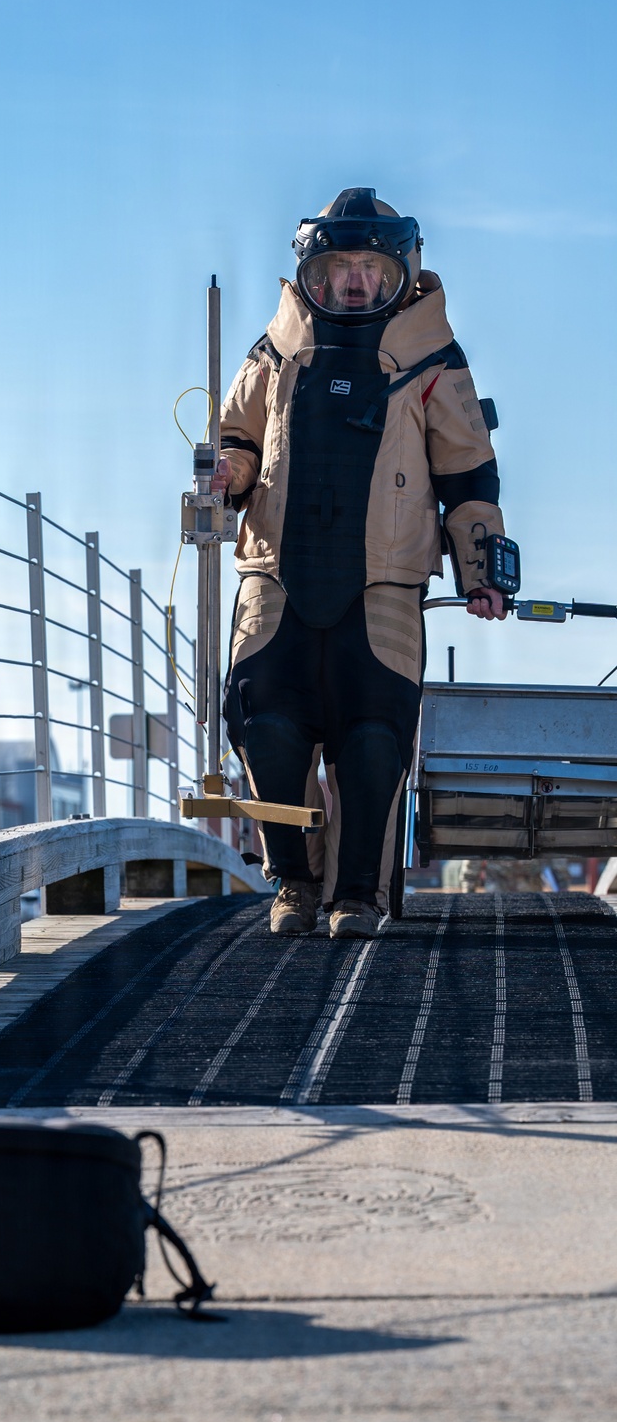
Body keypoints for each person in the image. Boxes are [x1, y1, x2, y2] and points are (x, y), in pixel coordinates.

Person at [218, 188, 509, 939]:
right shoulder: (275, 348)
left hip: (383, 585)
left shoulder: (434, 359)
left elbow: (469, 474)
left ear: (401, 273)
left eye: (370, 269)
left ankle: (358, 895)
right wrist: (226, 473)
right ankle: (293, 884)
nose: (352, 283)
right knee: (265, 727)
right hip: (274, 578)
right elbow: (238, 439)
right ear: (309, 274)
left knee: (375, 738)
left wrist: (483, 574)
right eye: (337, 269)